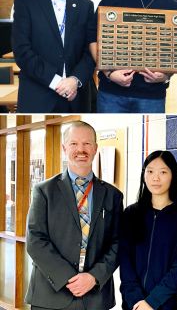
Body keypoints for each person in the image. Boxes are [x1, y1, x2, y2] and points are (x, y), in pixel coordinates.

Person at [26, 121, 123, 310]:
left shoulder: (113, 195)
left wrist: (93, 277)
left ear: (95, 148)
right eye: (74, 144)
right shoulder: (44, 191)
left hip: (95, 297)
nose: (81, 149)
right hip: (51, 296)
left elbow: (118, 243)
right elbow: (35, 241)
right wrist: (69, 278)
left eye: (87, 144)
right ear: (64, 148)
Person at [89, 0, 177, 113]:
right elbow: (92, 37)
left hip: (152, 96)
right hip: (111, 94)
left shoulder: (173, 8)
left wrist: (166, 75)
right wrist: (109, 73)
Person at [12, 0, 95, 113]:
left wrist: (74, 80)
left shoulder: (85, 6)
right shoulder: (25, 3)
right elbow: (22, 51)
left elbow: (90, 51)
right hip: (39, 96)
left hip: (76, 97)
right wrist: (56, 82)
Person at [119, 150, 177, 310]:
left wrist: (152, 302)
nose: (155, 178)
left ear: (173, 175)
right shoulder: (131, 214)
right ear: (143, 175)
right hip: (134, 305)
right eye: (150, 171)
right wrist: (136, 301)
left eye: (163, 172)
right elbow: (125, 261)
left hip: (167, 305)